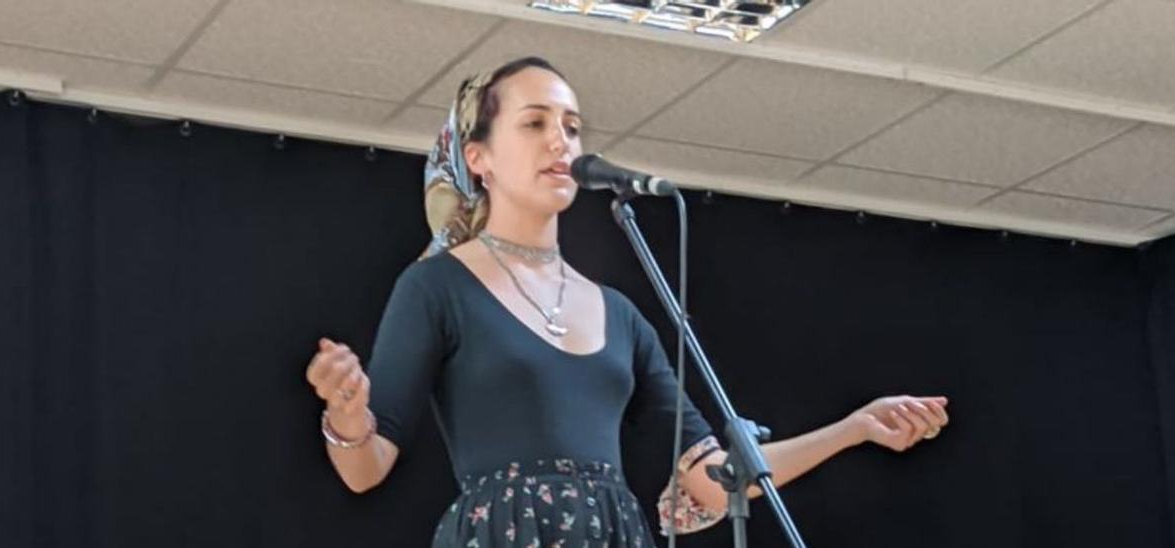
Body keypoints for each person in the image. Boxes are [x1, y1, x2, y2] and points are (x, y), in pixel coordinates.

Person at [304, 56, 950, 547]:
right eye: (534, 124)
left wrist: (854, 428)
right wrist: (348, 416)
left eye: (571, 127)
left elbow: (712, 479)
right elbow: (367, 470)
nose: (560, 141)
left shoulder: (619, 313)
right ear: (479, 158)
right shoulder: (437, 286)